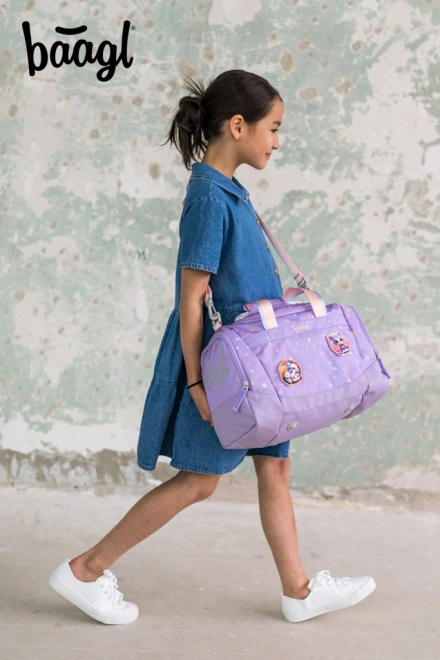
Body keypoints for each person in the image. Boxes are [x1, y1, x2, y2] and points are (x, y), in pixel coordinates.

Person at [49, 69, 376, 625]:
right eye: (274, 128)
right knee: (200, 480)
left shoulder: (231, 192)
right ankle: (85, 569)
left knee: (274, 470)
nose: (277, 141)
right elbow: (191, 299)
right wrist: (200, 384)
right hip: (230, 372)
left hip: (266, 367)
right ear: (238, 125)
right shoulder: (208, 197)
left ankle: (298, 591)